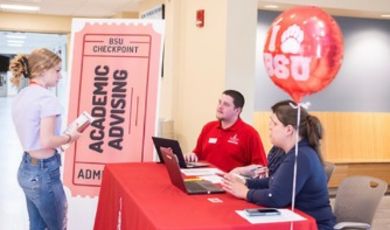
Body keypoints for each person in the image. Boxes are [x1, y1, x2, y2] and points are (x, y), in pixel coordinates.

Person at [222, 100, 335, 230]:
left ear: (288, 130)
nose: (269, 127)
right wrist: (244, 183)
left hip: (312, 225)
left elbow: (276, 197)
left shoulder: (300, 156)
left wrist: (246, 193)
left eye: (274, 123)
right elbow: (274, 181)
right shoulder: (296, 153)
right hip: (296, 219)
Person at [9, 48, 80, 230]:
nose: (60, 76)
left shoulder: (21, 96)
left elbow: (35, 134)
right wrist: (69, 136)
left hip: (26, 168)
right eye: (57, 71)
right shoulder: (48, 99)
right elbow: (47, 140)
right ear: (42, 70)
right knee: (58, 226)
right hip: (44, 173)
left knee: (37, 225)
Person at [184, 89, 267, 172]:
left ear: (237, 110)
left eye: (226, 104)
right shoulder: (208, 127)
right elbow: (197, 153)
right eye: (219, 102)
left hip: (230, 182)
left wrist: (238, 171)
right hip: (203, 179)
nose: (220, 107)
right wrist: (192, 155)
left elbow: (260, 166)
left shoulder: (250, 133)